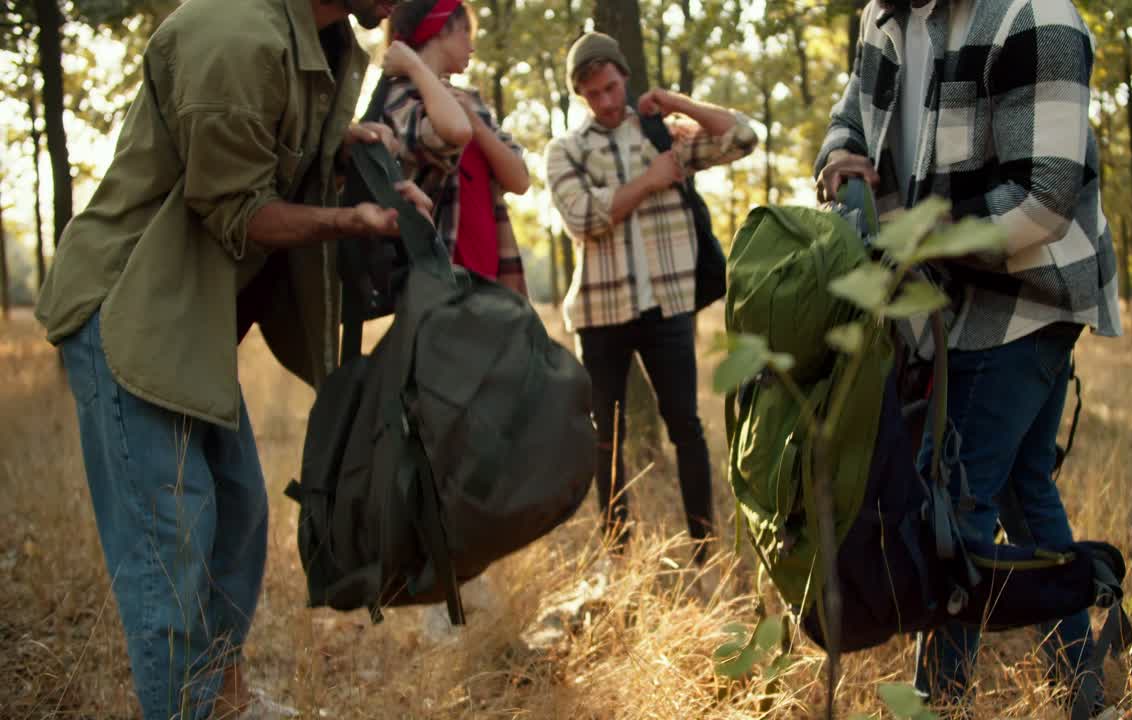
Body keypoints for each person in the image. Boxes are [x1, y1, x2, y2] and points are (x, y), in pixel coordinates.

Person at [33, 0, 431, 717]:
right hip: (131, 311)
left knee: (240, 516)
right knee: (170, 556)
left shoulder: (324, 39)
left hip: (190, 319)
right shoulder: (236, 37)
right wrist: (351, 221)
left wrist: (342, 148)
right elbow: (237, 212)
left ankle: (222, 701)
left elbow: (278, 146)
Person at [814, 0, 1121, 716]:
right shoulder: (882, 16)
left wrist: (915, 243)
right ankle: (1086, 693)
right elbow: (852, 112)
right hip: (944, 299)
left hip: (1029, 296)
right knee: (1023, 493)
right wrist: (836, 155)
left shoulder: (1035, 17)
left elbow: (1044, 201)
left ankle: (937, 704)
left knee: (947, 511)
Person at [545, 32, 758, 565]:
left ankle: (704, 547)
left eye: (612, 88)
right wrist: (650, 182)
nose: (607, 102)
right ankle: (618, 553)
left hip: (668, 305)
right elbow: (582, 217)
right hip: (600, 314)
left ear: (626, 79)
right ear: (579, 96)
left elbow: (743, 137)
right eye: (593, 94)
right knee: (605, 436)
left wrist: (677, 102)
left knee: (685, 424)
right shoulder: (564, 151)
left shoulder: (665, 135)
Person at [376, 0, 532, 295]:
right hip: (441, 279)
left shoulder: (470, 102)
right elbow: (451, 134)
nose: (472, 47)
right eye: (465, 33)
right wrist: (415, 66)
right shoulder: (399, 97)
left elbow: (520, 179)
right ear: (438, 29)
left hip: (495, 277)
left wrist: (476, 121)